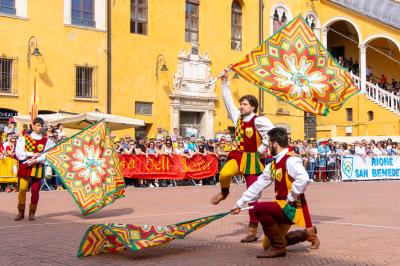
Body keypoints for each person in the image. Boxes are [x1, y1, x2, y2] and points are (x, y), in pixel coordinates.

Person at [231, 128, 319, 258]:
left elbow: (304, 178)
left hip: (291, 208)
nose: (267, 147)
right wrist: (239, 203)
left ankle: (279, 248)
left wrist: (291, 196)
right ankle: (305, 235)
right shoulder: (272, 165)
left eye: (269, 143)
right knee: (267, 245)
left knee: (259, 208)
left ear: (275, 144)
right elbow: (257, 186)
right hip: (282, 207)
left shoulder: (291, 160)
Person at [210, 69, 275, 242]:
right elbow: (228, 101)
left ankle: (253, 228)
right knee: (224, 174)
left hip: (253, 160)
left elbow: (274, 132)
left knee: (252, 194)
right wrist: (224, 82)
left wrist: (262, 149)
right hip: (238, 157)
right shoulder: (237, 117)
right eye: (241, 104)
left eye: (245, 104)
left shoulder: (259, 120)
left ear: (253, 106)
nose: (241, 106)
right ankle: (224, 192)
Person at [14, 117, 54, 221]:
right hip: (26, 166)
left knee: (35, 191)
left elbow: (47, 155)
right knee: (22, 189)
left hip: (38, 167)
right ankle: (20, 211)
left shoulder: (47, 141)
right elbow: (19, 153)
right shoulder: (24, 138)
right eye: (38, 125)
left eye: (41, 126)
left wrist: (36, 160)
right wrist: (31, 154)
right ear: (33, 125)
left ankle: (32, 212)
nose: (40, 127)